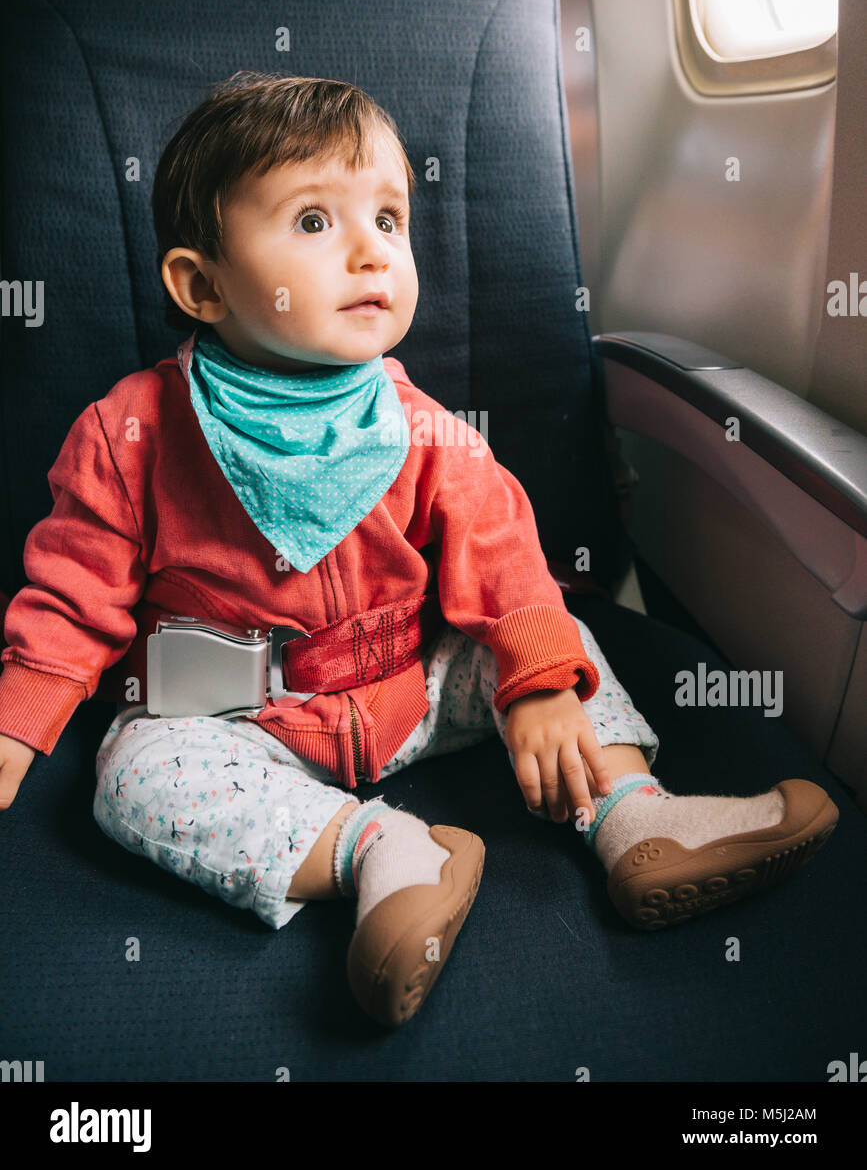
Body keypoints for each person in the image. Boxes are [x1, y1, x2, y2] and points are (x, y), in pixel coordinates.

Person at [0, 73, 839, 1028]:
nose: (369, 252)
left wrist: (531, 685)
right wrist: (18, 720)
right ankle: (386, 854)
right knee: (133, 771)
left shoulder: (423, 429)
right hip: (229, 706)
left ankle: (632, 814)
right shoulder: (130, 432)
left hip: (411, 682)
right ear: (202, 284)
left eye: (389, 221)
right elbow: (75, 598)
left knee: (544, 636)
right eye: (314, 223)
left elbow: (503, 561)